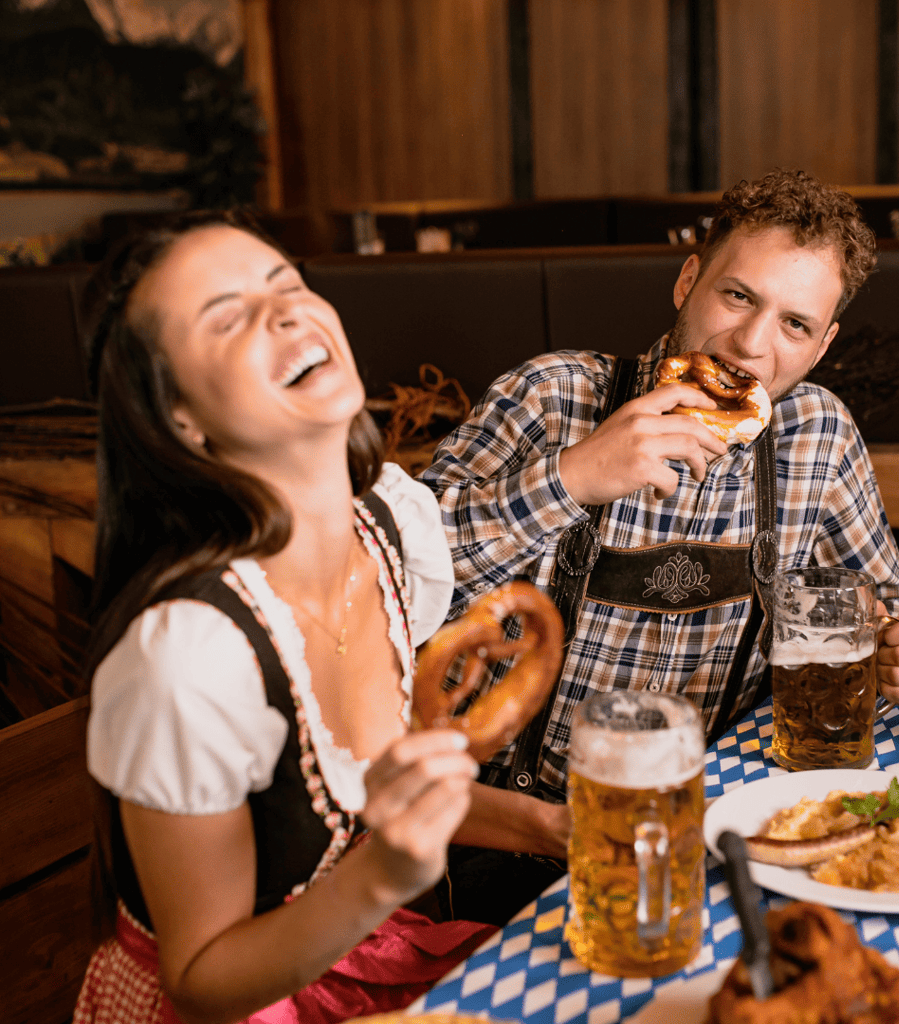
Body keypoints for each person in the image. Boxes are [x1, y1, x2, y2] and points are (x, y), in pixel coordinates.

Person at [74, 211, 565, 1024]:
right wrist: (381, 882)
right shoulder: (188, 658)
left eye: (288, 283)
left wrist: (556, 827)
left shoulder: (391, 530)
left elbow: (386, 797)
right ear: (179, 418)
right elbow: (200, 977)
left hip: (360, 950)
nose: (286, 313)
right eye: (227, 317)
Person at [420, 169, 899, 803]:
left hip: (715, 805)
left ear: (821, 347)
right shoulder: (549, 396)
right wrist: (573, 477)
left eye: (795, 326)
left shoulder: (818, 434)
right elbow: (385, 580)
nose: (751, 345)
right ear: (687, 280)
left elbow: (891, 607)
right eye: (738, 296)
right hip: (508, 815)